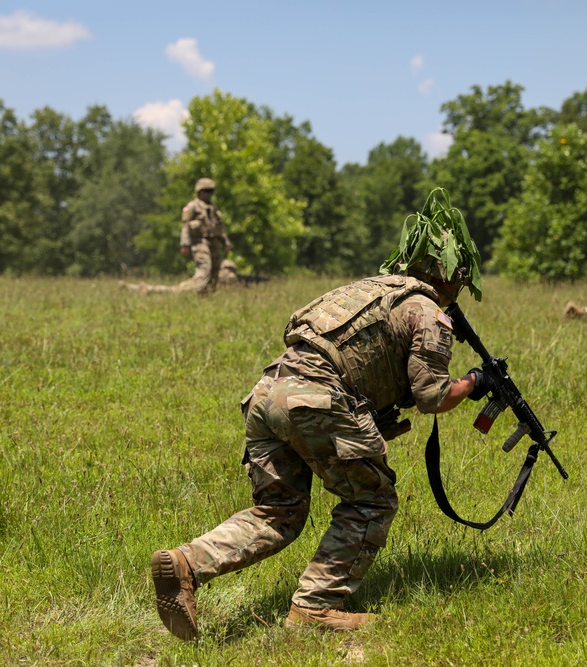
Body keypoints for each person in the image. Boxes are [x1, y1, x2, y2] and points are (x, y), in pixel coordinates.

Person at [150, 188, 490, 638]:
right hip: (314, 401)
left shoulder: (370, 289)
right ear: (450, 274)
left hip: (268, 394)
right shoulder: (427, 311)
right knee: (372, 500)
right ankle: (317, 606)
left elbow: (361, 362)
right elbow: (432, 395)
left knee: (278, 510)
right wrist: (473, 384)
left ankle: (187, 563)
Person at [120, 177, 231, 295]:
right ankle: (181, 290)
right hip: (199, 242)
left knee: (215, 271)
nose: (209, 194)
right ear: (199, 191)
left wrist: (225, 243)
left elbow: (220, 228)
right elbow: (185, 226)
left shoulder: (213, 209)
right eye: (206, 191)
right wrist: (185, 244)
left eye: (211, 191)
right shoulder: (192, 206)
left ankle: (205, 296)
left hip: (214, 242)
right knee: (204, 270)